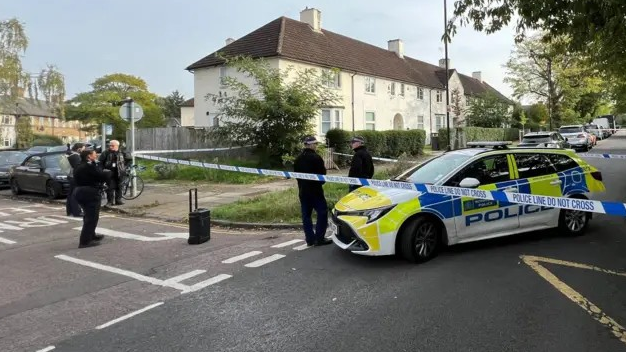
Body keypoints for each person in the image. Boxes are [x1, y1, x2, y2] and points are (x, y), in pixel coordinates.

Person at [293, 136, 332, 247]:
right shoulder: (316, 158)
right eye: (315, 144)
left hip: (303, 191)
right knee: (322, 212)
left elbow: (296, 175)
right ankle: (319, 238)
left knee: (306, 215)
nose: (316, 146)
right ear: (310, 145)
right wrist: (319, 184)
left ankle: (310, 239)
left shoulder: (298, 159)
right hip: (315, 191)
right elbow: (322, 175)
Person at [73, 149, 111, 248]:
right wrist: (107, 173)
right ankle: (85, 242)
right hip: (89, 192)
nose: (96, 156)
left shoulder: (79, 165)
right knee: (92, 217)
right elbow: (100, 176)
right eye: (94, 155)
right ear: (89, 156)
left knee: (88, 216)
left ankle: (91, 236)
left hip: (79, 191)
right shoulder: (89, 166)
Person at [98, 140, 131, 206]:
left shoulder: (122, 152)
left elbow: (129, 159)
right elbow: (100, 162)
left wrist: (125, 167)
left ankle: (118, 200)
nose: (110, 147)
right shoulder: (106, 152)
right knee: (110, 187)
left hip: (120, 172)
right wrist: (102, 170)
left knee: (119, 186)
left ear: (117, 146)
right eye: (110, 145)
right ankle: (110, 201)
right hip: (109, 172)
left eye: (112, 145)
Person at [66, 143, 85, 217]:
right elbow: (78, 168)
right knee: (75, 195)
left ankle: (69, 211)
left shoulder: (70, 154)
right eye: (83, 148)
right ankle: (77, 212)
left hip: (70, 176)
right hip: (75, 177)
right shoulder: (75, 156)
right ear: (79, 149)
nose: (83, 150)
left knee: (70, 194)